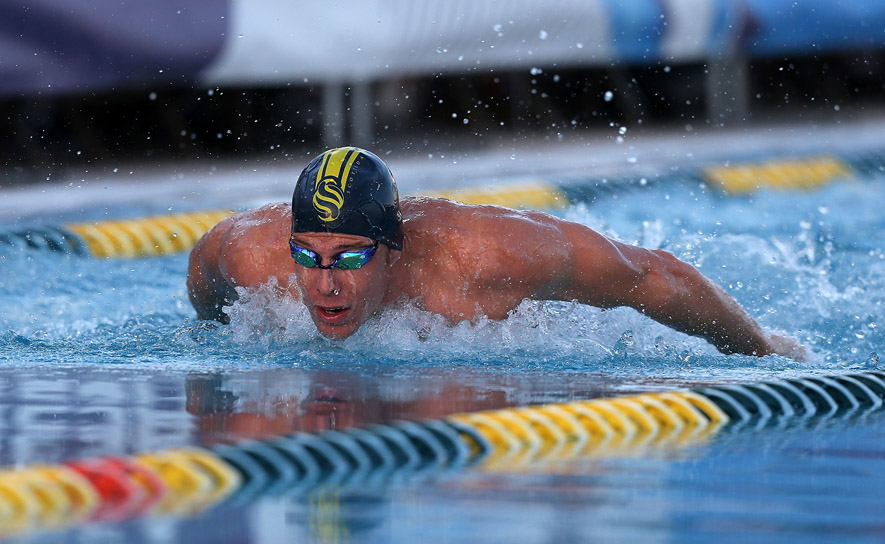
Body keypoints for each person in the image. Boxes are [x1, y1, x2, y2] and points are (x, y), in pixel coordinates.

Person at [187, 146, 803, 358]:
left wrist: (761, 348)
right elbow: (202, 274)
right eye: (309, 256)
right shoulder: (248, 254)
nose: (324, 285)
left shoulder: (484, 257)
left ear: (393, 249)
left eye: (350, 258)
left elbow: (656, 275)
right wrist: (222, 338)